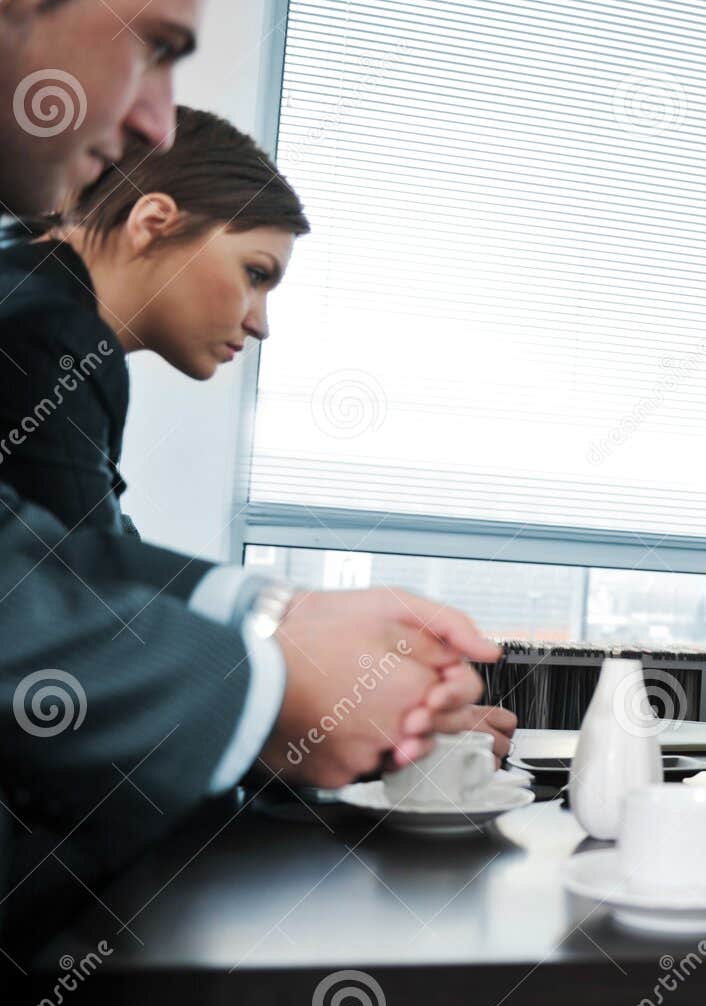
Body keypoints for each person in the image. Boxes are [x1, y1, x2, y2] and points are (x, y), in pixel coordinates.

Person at [0, 0, 501, 957]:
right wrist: (293, 699)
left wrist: (294, 636)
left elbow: (75, 565)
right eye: (256, 272)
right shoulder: (49, 332)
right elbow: (59, 626)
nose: (262, 320)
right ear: (154, 222)